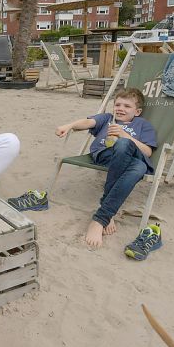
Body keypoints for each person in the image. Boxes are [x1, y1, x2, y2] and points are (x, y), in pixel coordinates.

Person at [54, 88, 159, 257]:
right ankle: (105, 215)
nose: (120, 108)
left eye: (127, 106)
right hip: (105, 155)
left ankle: (101, 215)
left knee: (137, 163)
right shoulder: (107, 119)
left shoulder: (143, 125)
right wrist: (70, 125)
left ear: (137, 112)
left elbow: (147, 152)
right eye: (117, 104)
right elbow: (87, 122)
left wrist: (125, 135)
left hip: (131, 157)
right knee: (130, 156)